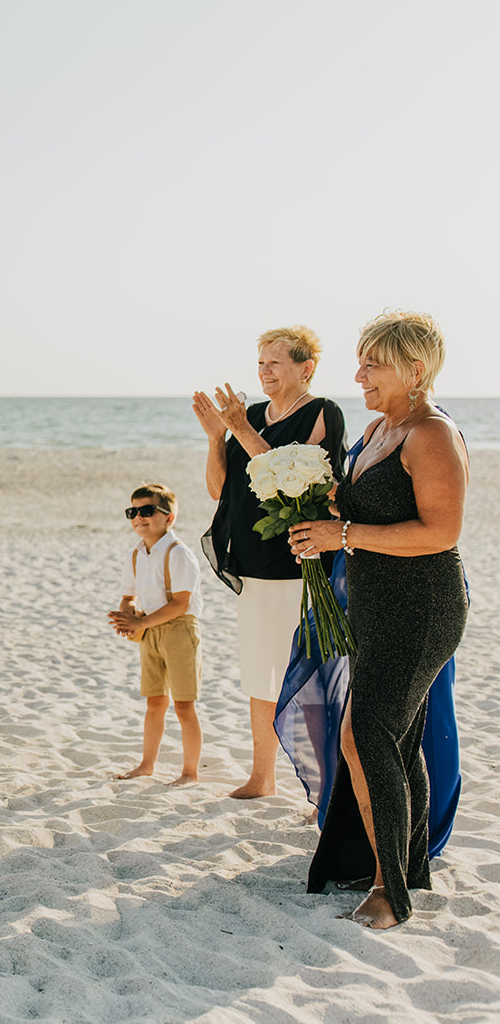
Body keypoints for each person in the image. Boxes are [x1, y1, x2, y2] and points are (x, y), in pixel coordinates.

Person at [286, 311, 467, 930]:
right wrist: (320, 520)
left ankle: (392, 893)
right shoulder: (378, 429)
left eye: (373, 363)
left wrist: (345, 532)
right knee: (392, 740)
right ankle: (406, 866)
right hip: (374, 606)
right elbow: (365, 511)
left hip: (421, 611)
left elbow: (442, 531)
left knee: (367, 737)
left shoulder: (431, 435)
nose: (358, 374)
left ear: (415, 371)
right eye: (359, 361)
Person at [192, 326, 346, 799]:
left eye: (274, 362)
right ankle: (263, 777)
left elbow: (291, 481)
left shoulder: (323, 413)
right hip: (253, 565)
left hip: (301, 564)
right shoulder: (252, 414)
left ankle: (324, 788)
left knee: (308, 675)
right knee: (260, 673)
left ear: (306, 368)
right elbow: (220, 489)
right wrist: (218, 437)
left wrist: (240, 429)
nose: (264, 372)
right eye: (260, 363)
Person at [109, 484, 204, 786]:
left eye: (148, 511)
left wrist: (140, 623)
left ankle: (190, 772)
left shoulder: (178, 554)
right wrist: (126, 616)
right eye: (132, 512)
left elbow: (181, 603)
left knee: (184, 705)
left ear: (169, 517)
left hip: (178, 629)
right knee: (154, 702)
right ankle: (147, 764)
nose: (139, 517)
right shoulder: (135, 555)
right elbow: (128, 596)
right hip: (148, 631)